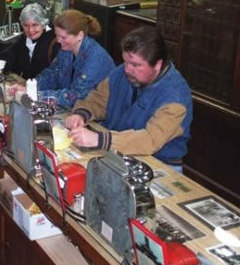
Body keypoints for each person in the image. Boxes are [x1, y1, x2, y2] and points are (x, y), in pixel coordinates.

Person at [64, 26, 193, 171]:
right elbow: (98, 100)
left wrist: (98, 139)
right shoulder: (122, 73)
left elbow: (150, 140)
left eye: (136, 65)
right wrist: (81, 114)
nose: (127, 69)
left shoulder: (175, 96)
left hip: (158, 163)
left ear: (157, 64)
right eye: (125, 62)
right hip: (116, 151)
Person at [34, 9, 115, 108]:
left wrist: (38, 96)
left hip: (95, 115)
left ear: (80, 35)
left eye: (63, 37)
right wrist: (31, 87)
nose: (59, 41)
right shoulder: (66, 49)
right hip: (71, 109)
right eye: (57, 35)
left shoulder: (96, 59)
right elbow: (52, 75)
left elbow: (76, 96)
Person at [0, 3, 60, 79]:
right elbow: (7, 56)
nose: (30, 30)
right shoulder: (24, 39)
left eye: (35, 25)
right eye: (26, 25)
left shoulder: (55, 42)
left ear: (43, 24)